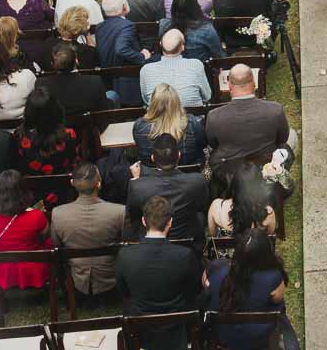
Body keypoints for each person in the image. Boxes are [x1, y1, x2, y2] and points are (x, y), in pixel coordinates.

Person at [116, 194, 203, 350]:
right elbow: (193, 290)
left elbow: (124, 292)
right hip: (175, 327)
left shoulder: (125, 255)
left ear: (144, 221)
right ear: (170, 222)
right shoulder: (185, 255)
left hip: (140, 327)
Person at [203, 226, 301, 350]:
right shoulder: (273, 278)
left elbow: (205, 286)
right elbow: (277, 299)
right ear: (266, 254)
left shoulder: (215, 268)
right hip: (260, 340)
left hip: (224, 337)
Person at [50, 162, 127, 300]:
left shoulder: (58, 213)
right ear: (98, 184)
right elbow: (126, 244)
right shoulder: (119, 212)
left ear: (72, 182)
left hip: (77, 281)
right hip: (111, 281)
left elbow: (56, 248)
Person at [204, 64, 292, 169]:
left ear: (230, 86)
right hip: (267, 165)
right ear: (254, 83)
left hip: (232, 170)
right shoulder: (275, 110)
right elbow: (282, 139)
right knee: (293, 136)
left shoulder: (214, 116)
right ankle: (280, 174)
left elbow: (213, 144)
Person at [127, 135, 210, 244]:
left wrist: (137, 180)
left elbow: (133, 216)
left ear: (152, 158)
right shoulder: (197, 181)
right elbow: (203, 206)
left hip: (152, 239)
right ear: (179, 155)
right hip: (186, 239)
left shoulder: (137, 186)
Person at [0, 170, 53, 289]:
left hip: (4, 269)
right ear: (23, 192)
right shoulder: (36, 216)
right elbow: (45, 236)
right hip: (34, 267)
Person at [16, 87, 80, 199]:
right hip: (64, 193)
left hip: (31, 195)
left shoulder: (19, 136)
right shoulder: (68, 135)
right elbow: (74, 163)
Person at [95, 0, 151, 106]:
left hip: (109, 80)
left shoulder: (100, 27)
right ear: (124, 7)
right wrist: (141, 56)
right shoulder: (127, 26)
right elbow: (121, 49)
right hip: (127, 82)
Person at [134, 83, 208, 168]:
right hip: (189, 172)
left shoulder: (139, 126)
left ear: (153, 103)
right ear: (177, 102)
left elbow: (139, 149)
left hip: (153, 174)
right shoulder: (192, 123)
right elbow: (202, 144)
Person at [206, 160, 278, 238]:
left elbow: (213, 236)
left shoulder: (216, 207)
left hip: (227, 248)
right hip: (255, 249)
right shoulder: (268, 214)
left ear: (234, 184)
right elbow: (269, 237)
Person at [141, 29, 213, 106]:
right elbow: (207, 96)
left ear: (160, 44)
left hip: (159, 117)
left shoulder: (146, 70)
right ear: (182, 47)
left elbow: (146, 100)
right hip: (192, 116)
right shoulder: (196, 65)